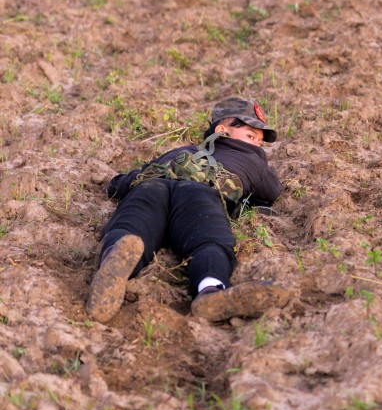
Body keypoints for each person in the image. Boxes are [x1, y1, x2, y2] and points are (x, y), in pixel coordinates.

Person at [87, 97, 291, 324]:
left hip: (151, 188)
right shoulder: (251, 158)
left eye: (260, 143)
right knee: (209, 241)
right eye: (251, 136)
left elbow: (123, 184)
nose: (256, 145)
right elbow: (273, 191)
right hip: (200, 194)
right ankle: (210, 290)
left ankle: (111, 268)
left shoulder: (181, 151)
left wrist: (115, 183)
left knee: (130, 229)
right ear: (222, 130)